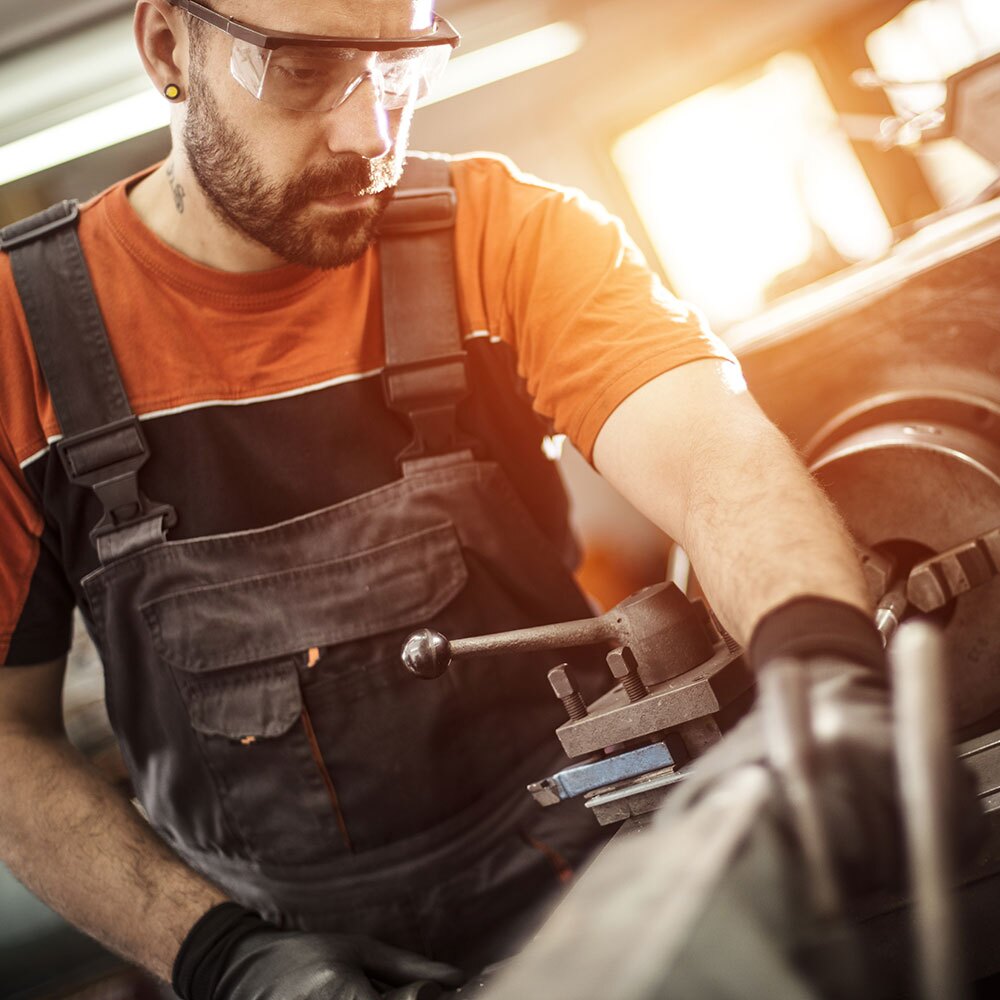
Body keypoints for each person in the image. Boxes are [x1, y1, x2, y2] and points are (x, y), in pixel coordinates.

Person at [0, 1, 904, 998]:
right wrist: (221, 955)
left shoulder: (509, 235)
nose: (369, 133)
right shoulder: (19, 342)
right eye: (302, 70)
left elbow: (709, 456)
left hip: (601, 868)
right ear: (170, 48)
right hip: (271, 943)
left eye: (397, 71)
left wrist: (823, 675)